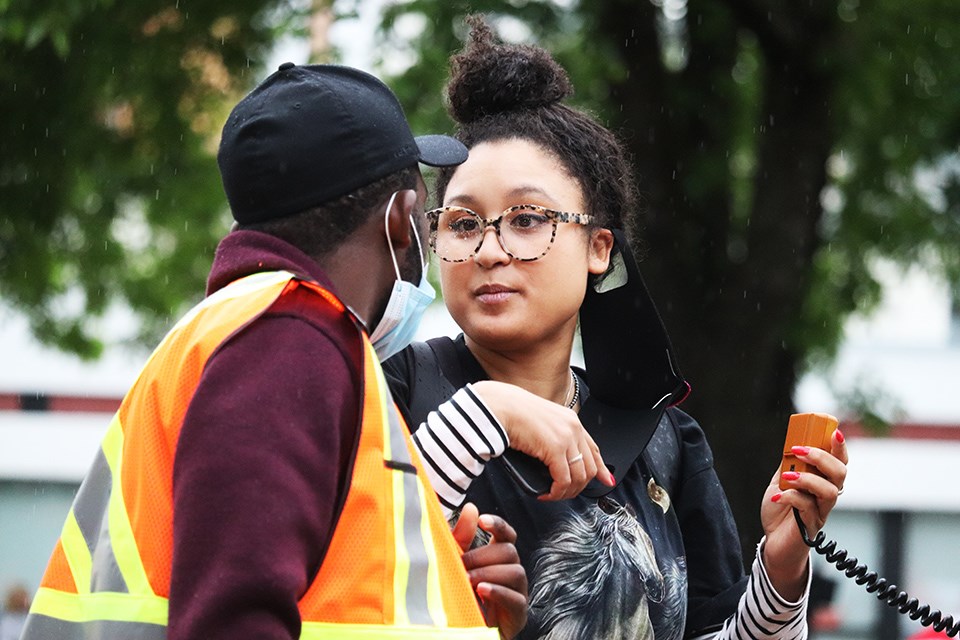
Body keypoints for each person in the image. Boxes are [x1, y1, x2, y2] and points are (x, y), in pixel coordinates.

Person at [21, 62, 528, 639]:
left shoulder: (269, 332)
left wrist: (444, 583)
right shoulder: (289, 341)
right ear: (399, 220)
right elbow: (235, 617)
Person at [383, 17, 849, 640]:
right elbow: (366, 568)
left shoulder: (664, 440)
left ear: (599, 247)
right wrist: (487, 415)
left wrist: (783, 565)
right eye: (463, 224)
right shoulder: (391, 394)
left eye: (525, 219)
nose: (489, 249)